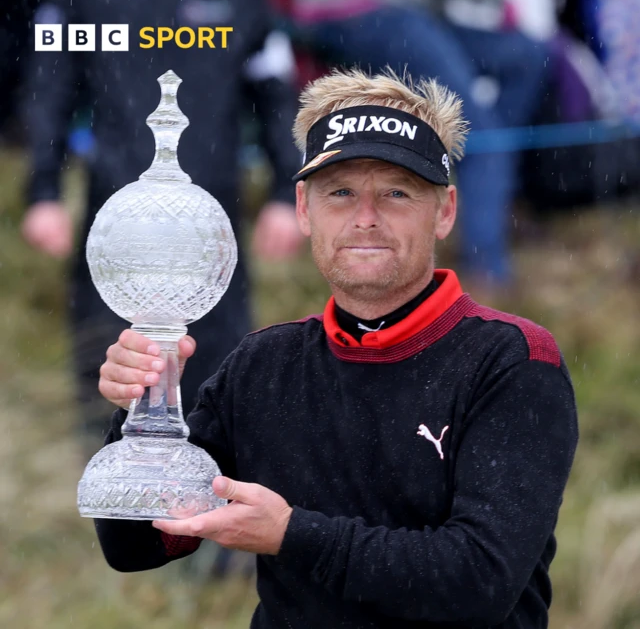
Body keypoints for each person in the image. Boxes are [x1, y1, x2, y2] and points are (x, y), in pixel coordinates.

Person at [95, 68, 579, 628]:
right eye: (341, 192)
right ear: (304, 208)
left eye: (396, 193)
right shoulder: (261, 366)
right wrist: (139, 412)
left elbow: (478, 581)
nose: (365, 217)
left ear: (444, 210)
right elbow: (134, 548)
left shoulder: (513, 361)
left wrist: (293, 535)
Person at [20, 0, 304, 452]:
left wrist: (283, 193)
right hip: (116, 223)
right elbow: (48, 84)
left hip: (211, 223)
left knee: (213, 364)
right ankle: (111, 491)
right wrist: (43, 191)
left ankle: (205, 496)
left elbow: (275, 89)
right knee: (112, 361)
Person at [287, 0, 549, 290]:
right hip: (376, 11)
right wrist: (494, 1)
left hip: (356, 13)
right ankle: (486, 274)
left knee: (528, 57)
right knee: (481, 138)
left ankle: (493, 202)